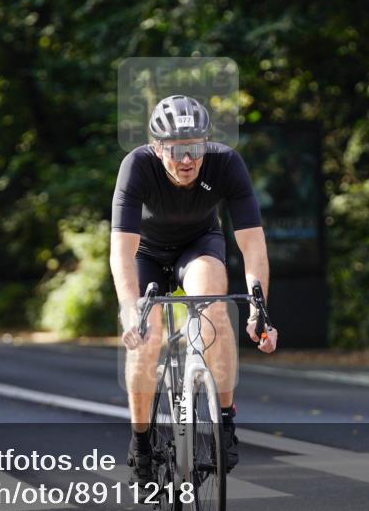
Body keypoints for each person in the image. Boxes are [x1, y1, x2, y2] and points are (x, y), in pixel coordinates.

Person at [110, 94, 279, 486]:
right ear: (157, 147)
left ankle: (223, 421)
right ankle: (140, 441)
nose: (188, 159)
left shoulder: (226, 163)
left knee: (214, 309)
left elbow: (253, 244)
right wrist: (128, 307)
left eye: (196, 148)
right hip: (146, 253)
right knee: (147, 338)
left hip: (199, 245)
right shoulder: (135, 166)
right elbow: (121, 252)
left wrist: (259, 310)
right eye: (177, 150)